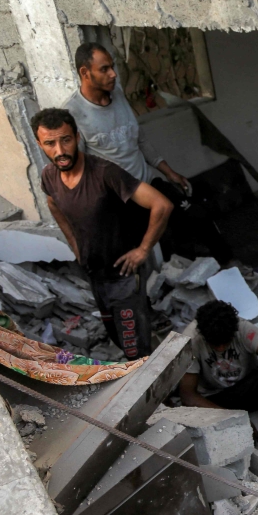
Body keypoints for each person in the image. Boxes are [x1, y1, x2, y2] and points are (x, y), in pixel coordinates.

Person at [65, 42, 233, 264]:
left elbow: (139, 138)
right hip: (122, 197)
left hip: (148, 181)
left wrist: (169, 172)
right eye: (104, 69)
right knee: (165, 249)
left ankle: (232, 266)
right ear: (85, 73)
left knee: (197, 216)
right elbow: (82, 173)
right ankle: (182, 288)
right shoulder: (73, 114)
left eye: (112, 67)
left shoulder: (117, 94)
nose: (113, 74)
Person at [32, 108, 172, 359]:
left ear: (77, 137)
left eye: (65, 140)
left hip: (124, 275)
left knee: (134, 346)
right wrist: (75, 244)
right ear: (39, 143)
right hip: (94, 273)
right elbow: (53, 203)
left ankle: (157, 390)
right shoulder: (49, 176)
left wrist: (143, 250)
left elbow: (162, 205)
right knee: (116, 334)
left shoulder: (104, 173)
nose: (60, 151)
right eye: (50, 143)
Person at [179, 300, 258, 454]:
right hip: (214, 399)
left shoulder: (243, 328)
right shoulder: (191, 342)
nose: (221, 348)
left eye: (225, 343)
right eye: (216, 345)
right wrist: (233, 419)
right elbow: (187, 395)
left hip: (245, 388)